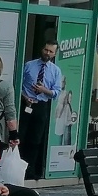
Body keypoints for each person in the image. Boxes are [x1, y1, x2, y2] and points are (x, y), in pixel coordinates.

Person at [19, 39, 63, 181]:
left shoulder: (55, 71)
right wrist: (25, 97)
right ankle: (17, 168)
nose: (47, 53)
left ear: (55, 54)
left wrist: (44, 90)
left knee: (36, 139)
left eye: (51, 51)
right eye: (46, 50)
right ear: (42, 49)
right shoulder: (29, 65)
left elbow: (56, 93)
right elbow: (18, 83)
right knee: (21, 137)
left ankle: (31, 171)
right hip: (26, 104)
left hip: (41, 105)